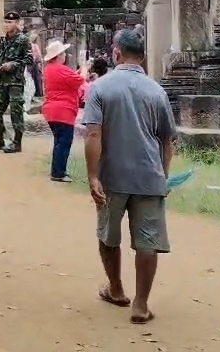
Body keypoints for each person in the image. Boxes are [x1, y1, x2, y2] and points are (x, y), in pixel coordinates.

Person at [82, 27, 175, 325]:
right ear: (143, 58)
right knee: (148, 241)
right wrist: (163, 174)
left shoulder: (101, 87)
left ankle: (117, 289)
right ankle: (141, 304)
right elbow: (166, 141)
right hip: (149, 175)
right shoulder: (156, 90)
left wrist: (93, 175)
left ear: (116, 53)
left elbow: (93, 133)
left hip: (112, 175)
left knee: (108, 234)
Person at [0, 11, 32, 154]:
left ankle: (17, 142)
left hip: (15, 82)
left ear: (17, 23)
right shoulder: (2, 40)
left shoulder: (23, 40)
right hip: (2, 81)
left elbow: (29, 60)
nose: (7, 25)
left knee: (16, 112)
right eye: (5, 22)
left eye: (10, 22)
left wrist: (13, 64)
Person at [41, 40, 85, 183]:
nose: (65, 55)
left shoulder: (49, 69)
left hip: (52, 110)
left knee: (59, 142)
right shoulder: (61, 69)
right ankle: (58, 173)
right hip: (63, 111)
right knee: (64, 143)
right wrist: (85, 68)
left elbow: (69, 79)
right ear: (59, 55)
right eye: (63, 53)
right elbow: (79, 80)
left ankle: (57, 170)